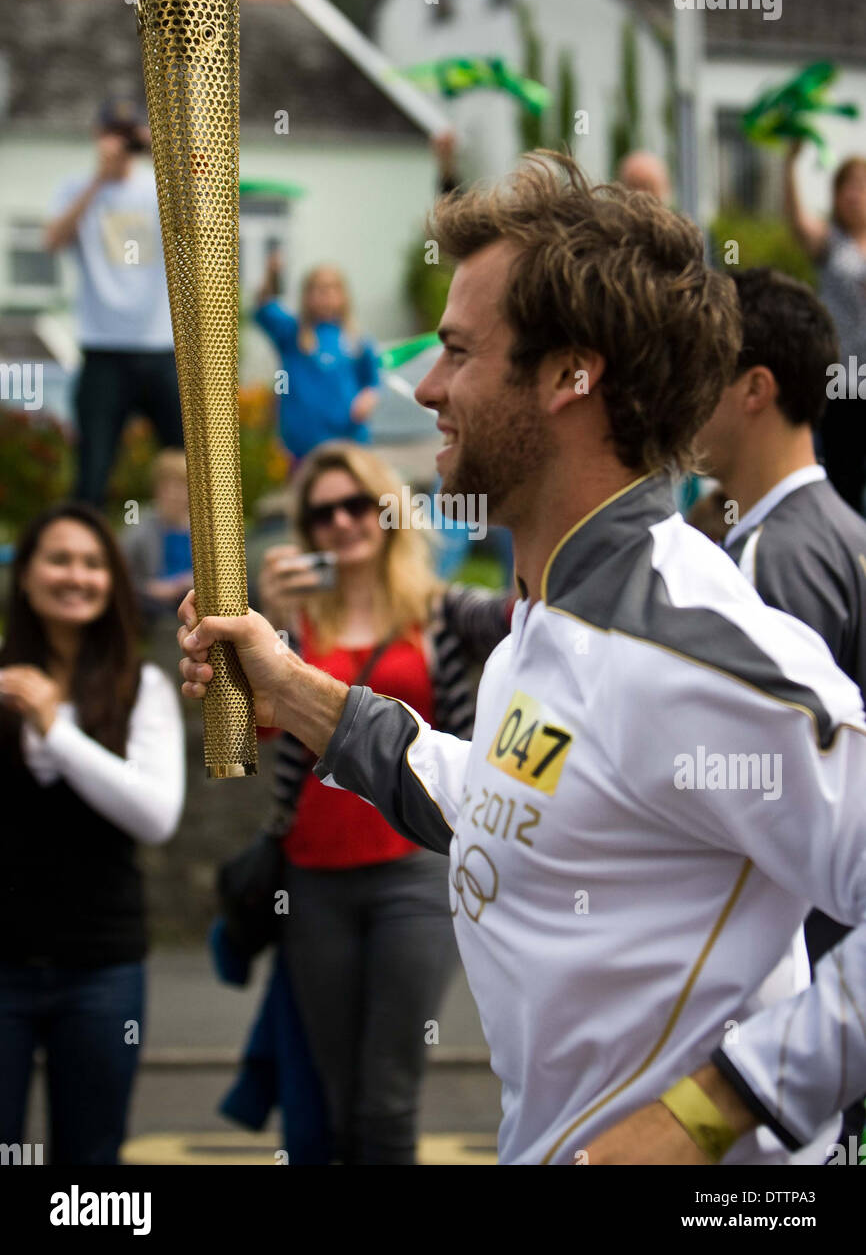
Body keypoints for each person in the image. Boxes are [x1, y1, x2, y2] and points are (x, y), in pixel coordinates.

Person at [179, 151, 866, 1167]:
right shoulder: (544, 617)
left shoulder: (685, 643)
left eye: (457, 351)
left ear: (568, 375)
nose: (424, 385)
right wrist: (299, 692)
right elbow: (502, 802)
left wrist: (713, 1107)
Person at [254, 440, 512, 1164]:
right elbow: (253, 731)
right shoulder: (293, 624)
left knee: (388, 1098)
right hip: (314, 871)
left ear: (390, 513)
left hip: (413, 867)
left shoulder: (437, 611)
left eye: (358, 504)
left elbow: (530, 615)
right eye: (322, 511)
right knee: (337, 1093)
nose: (342, 522)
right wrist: (268, 622)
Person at [695, 266, 866, 1146]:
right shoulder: (841, 530)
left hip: (819, 971)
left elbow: (768, 793)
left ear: (756, 390)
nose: (685, 394)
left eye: (705, 369)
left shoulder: (768, 558)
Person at [0, 502, 184, 1164]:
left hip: (101, 968)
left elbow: (155, 816)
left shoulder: (144, 688)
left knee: (91, 1162)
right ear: (25, 577)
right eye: (58, 560)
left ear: (113, 580)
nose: (76, 576)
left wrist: (56, 729)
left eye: (92, 562)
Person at [44, 98, 184, 508]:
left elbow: (202, 218)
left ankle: (196, 560)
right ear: (97, 136)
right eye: (113, 134)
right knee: (92, 470)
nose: (120, 144)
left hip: (161, 347)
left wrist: (160, 149)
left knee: (190, 461)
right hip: (103, 349)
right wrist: (98, 181)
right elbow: (51, 241)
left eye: (128, 135)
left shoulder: (160, 186)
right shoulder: (74, 189)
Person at [784, 141, 866, 511]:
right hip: (844, 381)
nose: (856, 195)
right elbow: (798, 220)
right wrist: (790, 162)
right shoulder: (832, 244)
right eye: (849, 186)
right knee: (843, 480)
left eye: (863, 186)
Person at [254, 256, 380, 467]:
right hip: (303, 447)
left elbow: (373, 382)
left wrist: (368, 397)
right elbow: (264, 306)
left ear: (343, 295)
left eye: (331, 288)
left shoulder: (356, 340)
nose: (325, 295)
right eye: (318, 289)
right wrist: (272, 275)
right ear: (306, 296)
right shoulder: (292, 333)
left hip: (348, 442)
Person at [122, 448, 194, 627]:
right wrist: (150, 588)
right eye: (166, 487)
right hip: (154, 599)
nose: (173, 494)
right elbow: (122, 571)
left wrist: (183, 584)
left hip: (194, 595)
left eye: (180, 486)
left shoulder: (204, 526)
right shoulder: (139, 525)